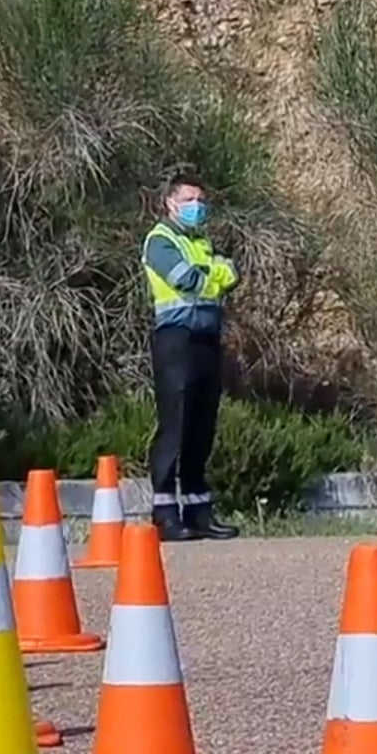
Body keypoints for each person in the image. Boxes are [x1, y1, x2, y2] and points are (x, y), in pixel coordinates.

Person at [140, 172, 241, 542]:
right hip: (175, 338)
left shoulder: (201, 242)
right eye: (188, 199)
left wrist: (215, 273)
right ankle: (165, 513)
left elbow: (231, 273)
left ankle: (199, 510)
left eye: (201, 200)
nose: (197, 206)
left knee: (202, 425)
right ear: (170, 203)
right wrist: (217, 274)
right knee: (176, 424)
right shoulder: (160, 240)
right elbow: (187, 279)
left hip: (206, 338)